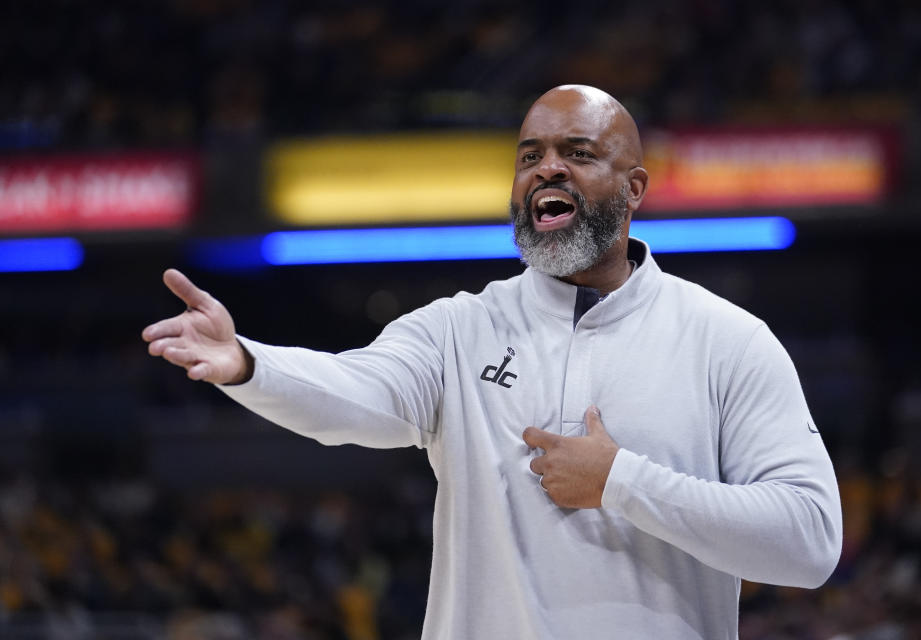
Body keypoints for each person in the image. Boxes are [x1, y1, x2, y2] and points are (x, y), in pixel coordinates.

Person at [143, 85, 842, 639]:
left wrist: (622, 481)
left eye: (577, 151)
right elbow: (354, 393)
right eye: (530, 154)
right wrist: (246, 362)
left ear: (634, 190)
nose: (548, 169)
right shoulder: (459, 328)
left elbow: (809, 541)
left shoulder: (727, 340)